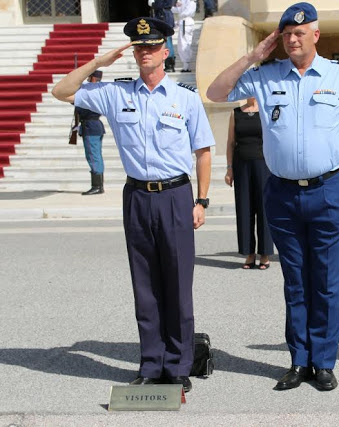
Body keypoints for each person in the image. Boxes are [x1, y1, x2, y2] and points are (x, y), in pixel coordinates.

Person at [207, 2, 339, 391]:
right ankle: (299, 360)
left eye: (300, 33)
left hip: (330, 189)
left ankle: (325, 361)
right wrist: (252, 55)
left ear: (316, 35)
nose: (293, 39)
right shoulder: (265, 76)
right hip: (282, 193)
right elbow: (215, 91)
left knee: (328, 281)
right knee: (295, 280)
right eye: (286, 34)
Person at [52, 17, 215, 393]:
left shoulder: (185, 98)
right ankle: (150, 362)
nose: (143, 53)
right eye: (138, 47)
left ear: (165, 51)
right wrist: (97, 63)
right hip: (137, 196)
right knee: (145, 285)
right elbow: (62, 91)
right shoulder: (116, 93)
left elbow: (203, 151)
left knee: (176, 284)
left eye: (150, 46)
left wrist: (202, 200)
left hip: (176, 196)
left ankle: (177, 365)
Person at [224, 97, 274, 270]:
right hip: (241, 165)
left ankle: (265, 253)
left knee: (264, 209)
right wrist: (229, 168)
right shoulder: (235, 113)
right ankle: (249, 253)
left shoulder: (267, 111)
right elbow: (230, 143)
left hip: (263, 165)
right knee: (244, 209)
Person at [75, 70, 106, 195]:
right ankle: (98, 185)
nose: (88, 79)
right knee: (96, 155)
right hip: (94, 126)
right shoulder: (99, 91)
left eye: (90, 77)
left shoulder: (93, 92)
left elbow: (80, 106)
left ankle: (97, 186)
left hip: (90, 126)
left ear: (93, 78)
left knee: (93, 156)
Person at [149, 0, 177, 72]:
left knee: (167, 41)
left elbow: (159, 5)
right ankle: (170, 63)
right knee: (168, 40)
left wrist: (153, 3)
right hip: (166, 15)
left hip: (163, 16)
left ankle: (169, 64)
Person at [171, 0, 196, 72]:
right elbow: (178, 9)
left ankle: (186, 65)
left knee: (184, 44)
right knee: (183, 44)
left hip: (186, 23)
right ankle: (186, 65)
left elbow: (184, 12)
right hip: (184, 22)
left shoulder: (191, 2)